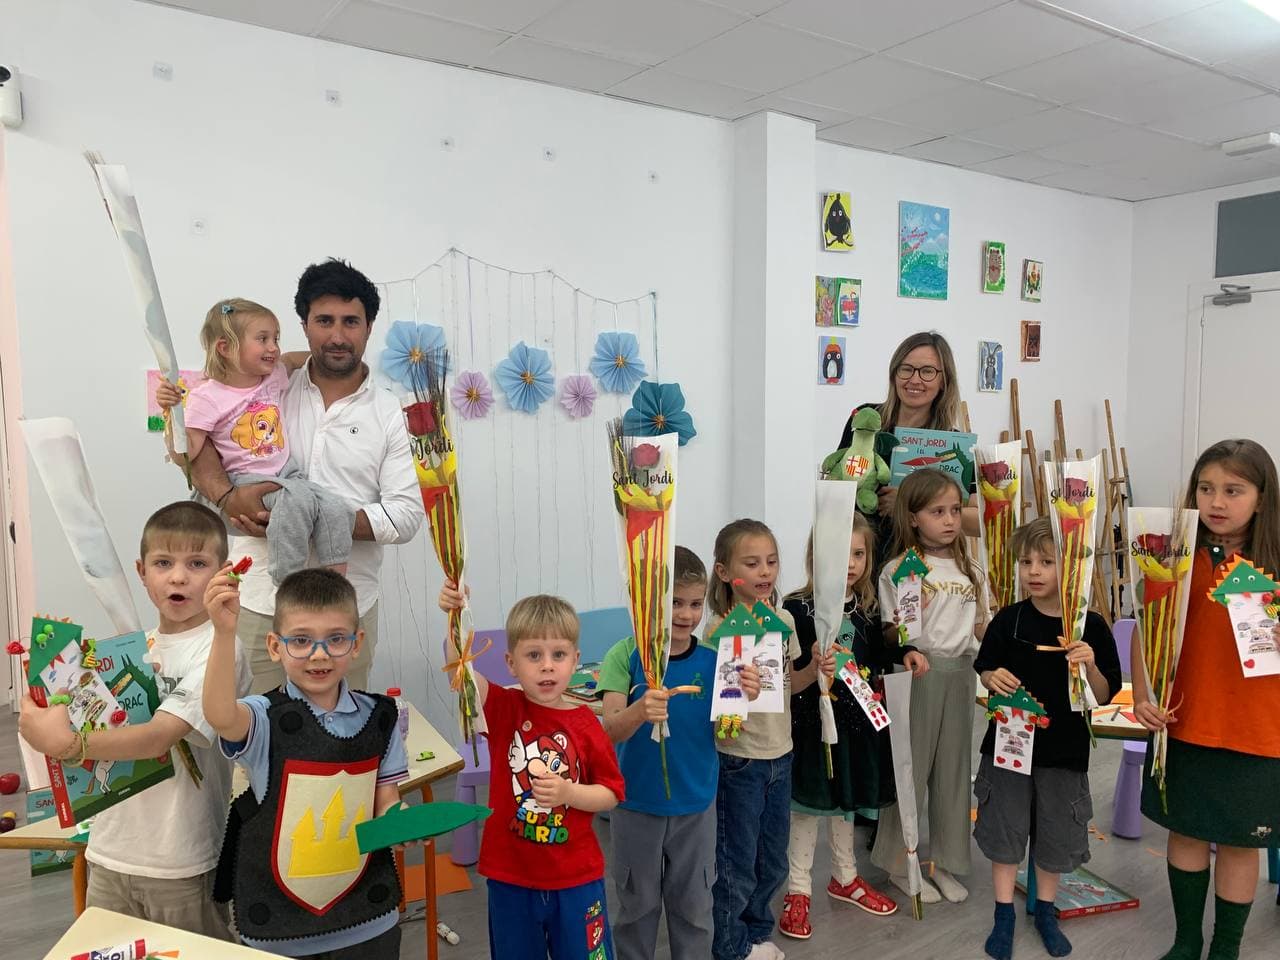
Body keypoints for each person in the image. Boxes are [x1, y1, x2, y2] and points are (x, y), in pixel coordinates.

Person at [185, 260, 423, 694]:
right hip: (259, 602)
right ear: (305, 325)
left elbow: (406, 516)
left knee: (343, 743)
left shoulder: (392, 413)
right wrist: (226, 497)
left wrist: (318, 519)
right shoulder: (268, 386)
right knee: (260, 735)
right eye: (324, 321)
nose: (337, 335)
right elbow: (200, 449)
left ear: (369, 327)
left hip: (346, 609)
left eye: (351, 321)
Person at [18, 502, 251, 940]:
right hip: (109, 853)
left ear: (224, 574)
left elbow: (158, 738)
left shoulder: (221, 650)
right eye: (164, 563)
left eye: (197, 563)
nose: (178, 576)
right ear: (142, 572)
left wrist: (71, 745)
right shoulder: (129, 648)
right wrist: (55, 670)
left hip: (181, 862)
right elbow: (90, 721)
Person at [204, 567, 408, 958]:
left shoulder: (381, 717)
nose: (319, 654)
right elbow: (219, 715)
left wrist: (401, 823)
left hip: (367, 917)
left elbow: (386, 800)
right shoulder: (263, 717)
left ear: (356, 643)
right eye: (301, 640)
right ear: (275, 646)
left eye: (335, 639)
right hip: (281, 927)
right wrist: (223, 632)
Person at [1135, 439, 1280, 960]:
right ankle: (1186, 939)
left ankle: (1226, 947)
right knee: (1188, 832)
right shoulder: (1172, 557)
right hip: (1183, 721)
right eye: (1206, 488)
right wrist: (1144, 696)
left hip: (1259, 731)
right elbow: (1146, 632)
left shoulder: (1276, 565)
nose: (1217, 501)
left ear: (1262, 499)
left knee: (1243, 842)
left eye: (1234, 490)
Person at [439, 584, 625, 960]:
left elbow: (611, 794)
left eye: (558, 654)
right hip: (511, 879)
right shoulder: (504, 707)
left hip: (577, 880)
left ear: (575, 660)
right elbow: (462, 676)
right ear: (511, 663)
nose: (547, 665)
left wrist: (570, 794)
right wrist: (454, 617)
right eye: (534, 655)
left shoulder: (587, 724)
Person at [599, 546, 758, 960]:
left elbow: (727, 733)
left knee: (694, 910)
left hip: (696, 808)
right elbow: (609, 730)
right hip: (635, 805)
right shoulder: (624, 655)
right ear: (648, 599)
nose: (685, 616)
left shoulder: (718, 659)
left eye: (693, 604)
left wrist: (742, 700)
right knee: (636, 909)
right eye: (674, 603)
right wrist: (639, 710)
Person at [974, 517, 1121, 959]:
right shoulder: (1010, 619)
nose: (1033, 571)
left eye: (1046, 562)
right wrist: (990, 674)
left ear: (1071, 567)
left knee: (1056, 834)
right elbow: (984, 667)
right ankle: (1004, 914)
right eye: (1025, 562)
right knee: (1005, 829)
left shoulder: (1090, 625)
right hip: (1008, 748)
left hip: (1064, 752)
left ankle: (1046, 909)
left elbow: (1102, 694)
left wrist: (1089, 664)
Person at [777, 514, 927, 939]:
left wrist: (908, 648)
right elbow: (784, 674)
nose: (850, 563)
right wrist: (811, 666)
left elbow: (882, 650)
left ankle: (844, 877)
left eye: (858, 553)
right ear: (815, 555)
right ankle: (798, 889)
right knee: (807, 808)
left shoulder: (867, 610)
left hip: (857, 728)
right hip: (810, 729)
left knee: (846, 803)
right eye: (839, 553)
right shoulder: (793, 609)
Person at [705, 519, 834, 960]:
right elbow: (722, 716)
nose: (765, 571)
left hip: (782, 754)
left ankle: (757, 931)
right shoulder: (719, 629)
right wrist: (738, 688)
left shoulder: (781, 619)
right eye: (752, 562)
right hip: (739, 760)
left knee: (772, 860)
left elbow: (790, 686)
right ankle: (731, 945)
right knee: (736, 861)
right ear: (724, 572)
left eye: (772, 561)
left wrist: (814, 670)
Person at [158, 298, 352, 585]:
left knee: (337, 507)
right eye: (262, 339)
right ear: (225, 348)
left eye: (276, 338)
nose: (273, 347)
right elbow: (185, 454)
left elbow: (296, 359)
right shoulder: (207, 397)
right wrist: (170, 414)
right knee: (297, 501)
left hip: (288, 474)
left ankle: (336, 585)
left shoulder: (272, 377)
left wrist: (324, 357)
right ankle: (290, 583)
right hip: (245, 480)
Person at [870, 468, 988, 904]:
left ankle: (944, 862)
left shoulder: (971, 569)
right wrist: (904, 633)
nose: (950, 519)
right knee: (911, 769)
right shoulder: (902, 569)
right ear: (913, 516)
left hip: (961, 674)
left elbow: (979, 628)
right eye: (937, 511)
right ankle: (901, 863)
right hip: (918, 674)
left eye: (955, 509)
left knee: (954, 773)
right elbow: (891, 633)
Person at [833, 331, 979, 557]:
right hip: (858, 559)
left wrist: (908, 504)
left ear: (944, 381)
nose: (914, 379)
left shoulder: (954, 446)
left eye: (928, 371)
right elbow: (837, 487)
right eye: (906, 369)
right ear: (894, 374)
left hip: (918, 565)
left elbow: (978, 521)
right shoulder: (865, 419)